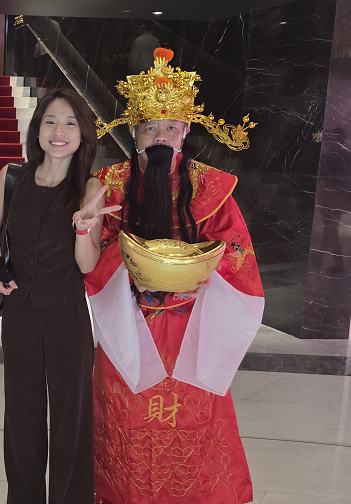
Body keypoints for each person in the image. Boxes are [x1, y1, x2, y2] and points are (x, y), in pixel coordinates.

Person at [89, 48, 263, 504]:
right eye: (150, 127)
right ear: (134, 132)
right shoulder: (108, 184)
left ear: (186, 132)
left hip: (192, 331)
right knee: (125, 421)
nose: (160, 136)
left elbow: (239, 252)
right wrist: (129, 266)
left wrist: (206, 269)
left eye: (171, 127)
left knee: (193, 422)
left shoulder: (212, 187)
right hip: (128, 326)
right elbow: (94, 251)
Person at [0, 88, 120, 504]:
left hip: (67, 316)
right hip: (20, 314)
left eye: (70, 123)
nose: (59, 131)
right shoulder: (12, 177)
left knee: (70, 416)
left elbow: (87, 264)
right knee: (21, 414)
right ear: (37, 130)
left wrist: (82, 228)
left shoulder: (90, 187)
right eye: (50, 122)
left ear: (82, 134)